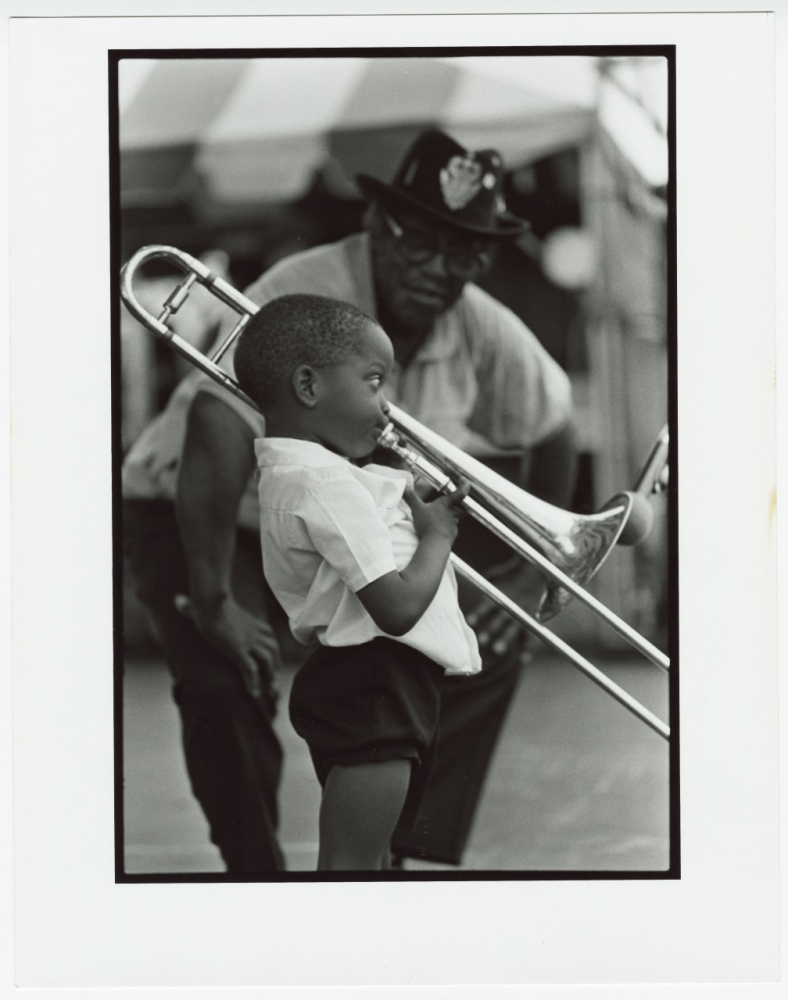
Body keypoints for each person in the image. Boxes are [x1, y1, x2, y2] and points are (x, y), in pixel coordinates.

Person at [122, 128, 574, 871]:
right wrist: (212, 598)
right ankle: (254, 871)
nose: (439, 269)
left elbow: (554, 425)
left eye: (464, 253)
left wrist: (533, 577)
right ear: (377, 227)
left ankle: (398, 855)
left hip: (343, 528)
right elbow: (214, 426)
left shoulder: (482, 324)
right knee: (221, 674)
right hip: (210, 512)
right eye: (421, 242)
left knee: (483, 643)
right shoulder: (305, 290)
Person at [233, 293, 480, 870]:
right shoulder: (324, 485)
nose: (386, 406)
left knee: (364, 866)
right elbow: (395, 608)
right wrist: (439, 536)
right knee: (352, 870)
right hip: (379, 686)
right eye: (374, 381)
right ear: (309, 387)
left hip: (374, 686)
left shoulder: (305, 476)